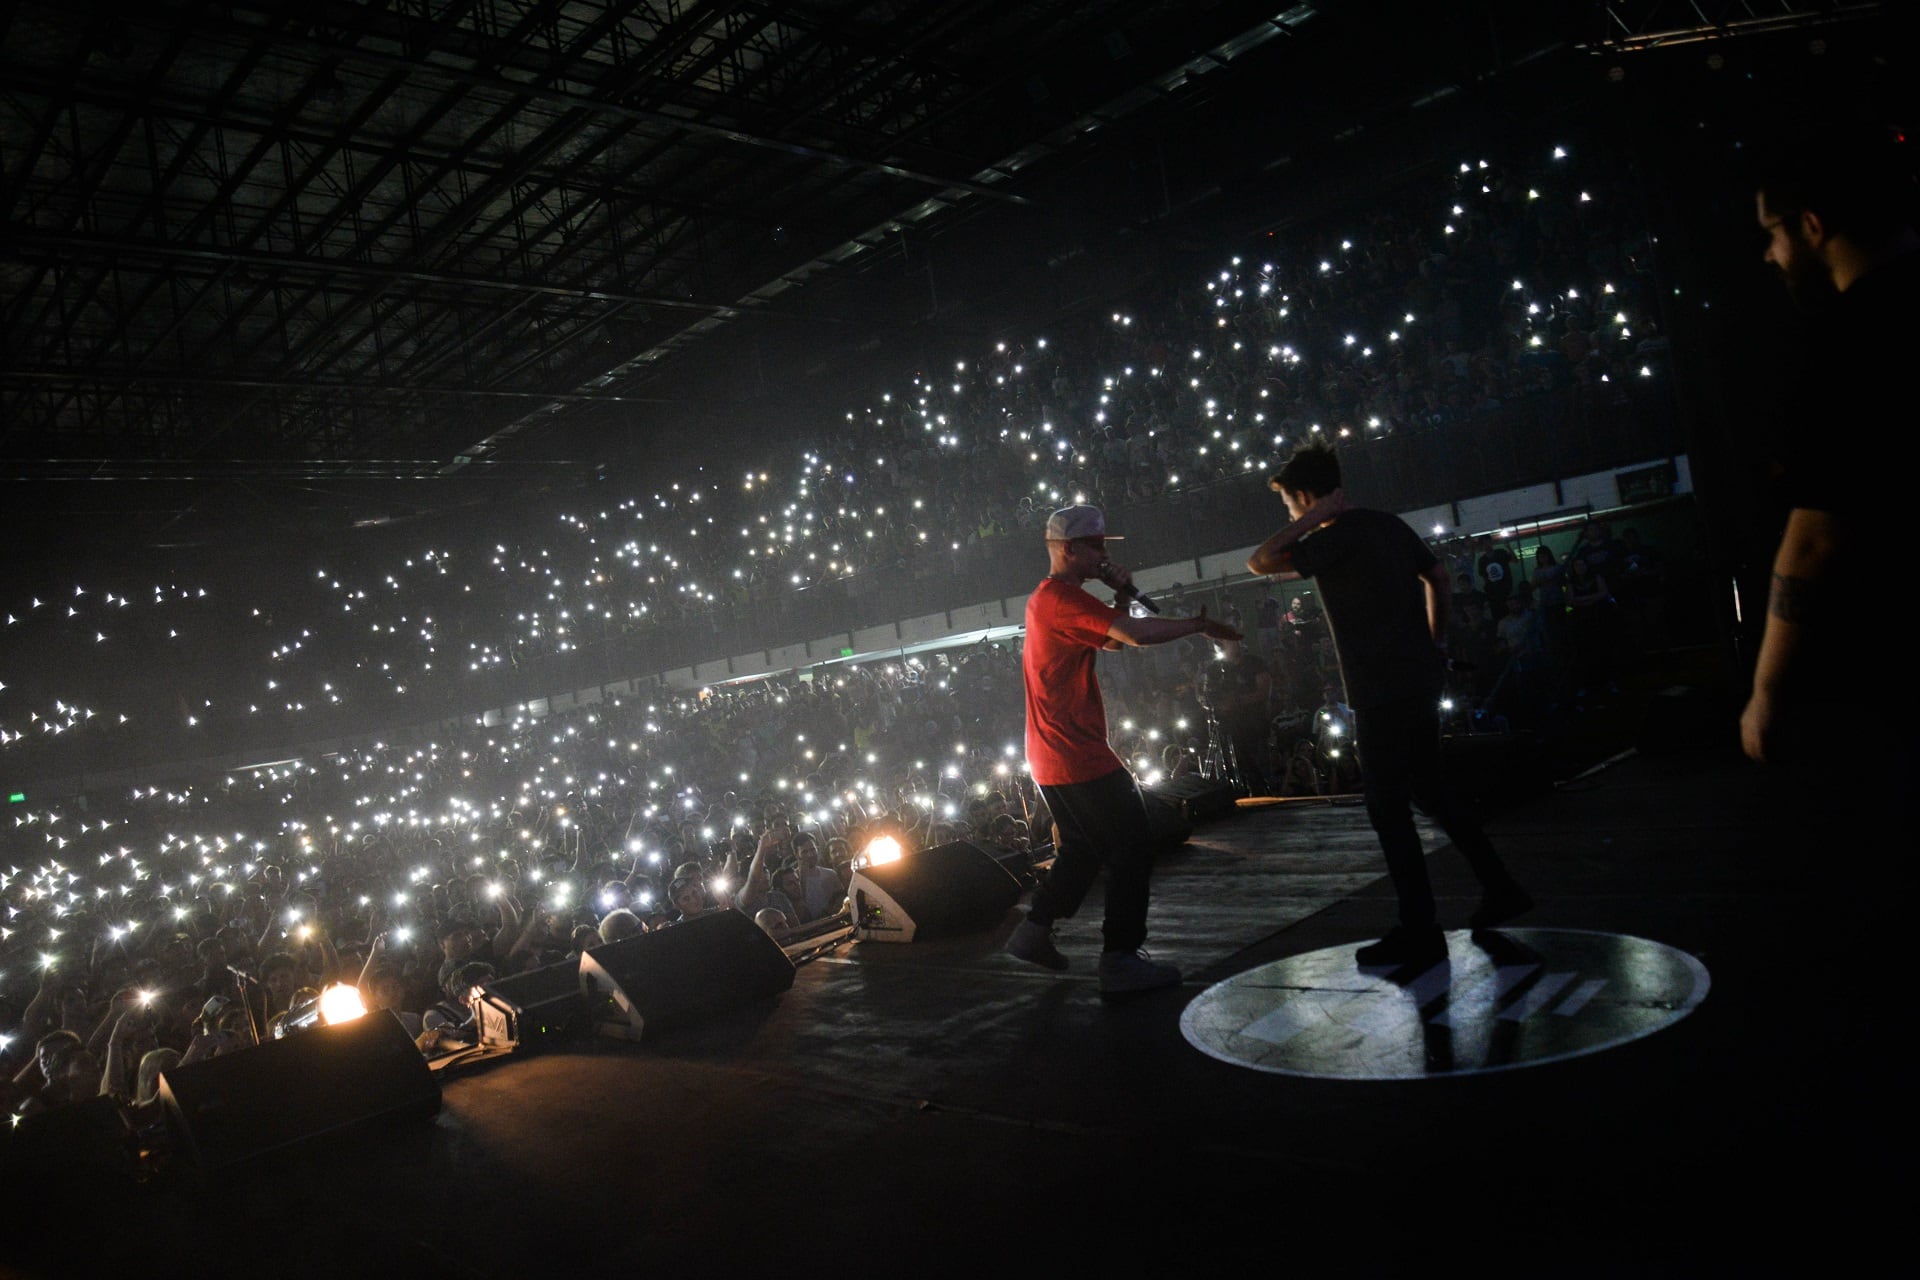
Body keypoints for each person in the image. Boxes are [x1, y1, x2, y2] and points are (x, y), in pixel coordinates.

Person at [1248, 443, 1530, 966]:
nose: (1289, 516)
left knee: (1387, 807)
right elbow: (1438, 579)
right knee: (1433, 789)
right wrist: (1436, 642)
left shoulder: (1333, 538)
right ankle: (1499, 885)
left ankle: (1419, 928)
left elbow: (1260, 559)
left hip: (1379, 689)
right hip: (1419, 677)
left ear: (1306, 498)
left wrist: (1311, 520)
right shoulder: (1388, 525)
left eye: (1290, 504)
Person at [1004, 505, 1242, 996]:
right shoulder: (1059, 599)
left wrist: (1120, 595)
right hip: (1075, 752)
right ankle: (1119, 960)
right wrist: (1194, 625)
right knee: (1132, 845)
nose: (1105, 555)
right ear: (1070, 550)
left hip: (1051, 753)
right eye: (1097, 546)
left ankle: (1033, 931)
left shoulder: (1056, 600)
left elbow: (1112, 641)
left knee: (1081, 849)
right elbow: (1133, 636)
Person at [1741, 126, 1919, 768]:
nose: (1769, 254)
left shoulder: (1838, 343)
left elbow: (1816, 537)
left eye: (1772, 233)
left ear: (1811, 225)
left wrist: (1766, 692)